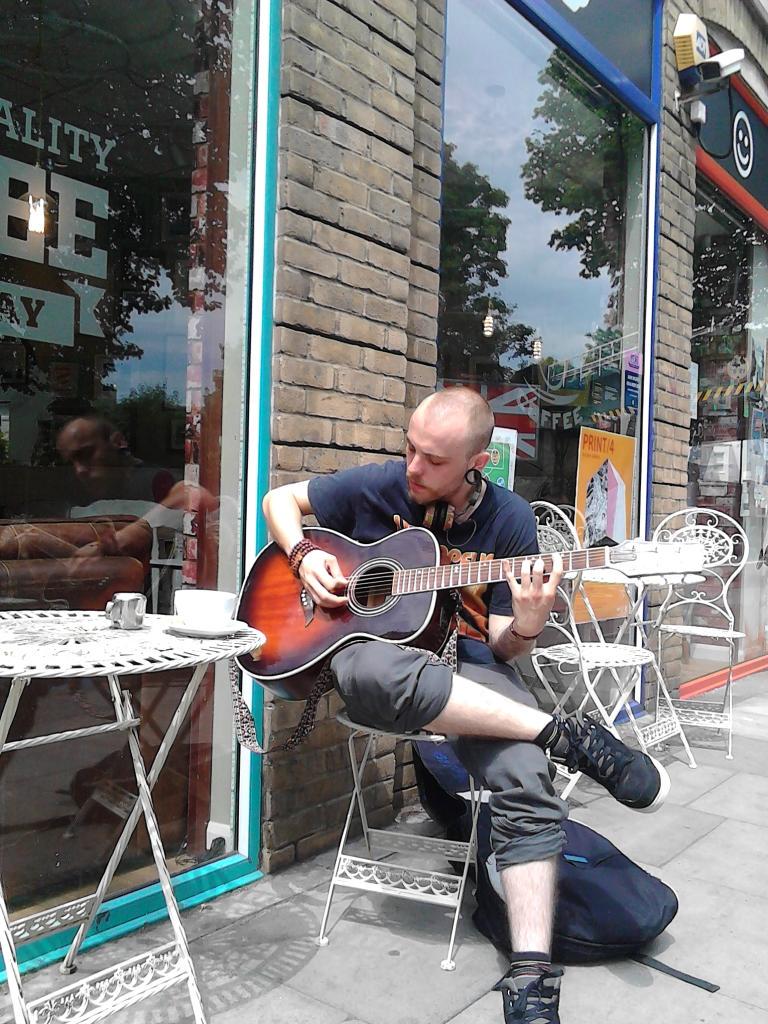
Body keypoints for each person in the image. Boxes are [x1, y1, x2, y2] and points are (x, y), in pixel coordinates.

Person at [261, 388, 670, 1024]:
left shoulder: (510, 520)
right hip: (382, 661)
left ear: (476, 462)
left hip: (472, 667)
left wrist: (528, 621)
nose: (413, 467)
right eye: (410, 449)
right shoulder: (383, 484)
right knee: (364, 668)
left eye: (433, 460)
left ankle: (531, 974)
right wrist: (305, 553)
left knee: (525, 776)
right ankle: (564, 734)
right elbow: (278, 501)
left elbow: (505, 646)